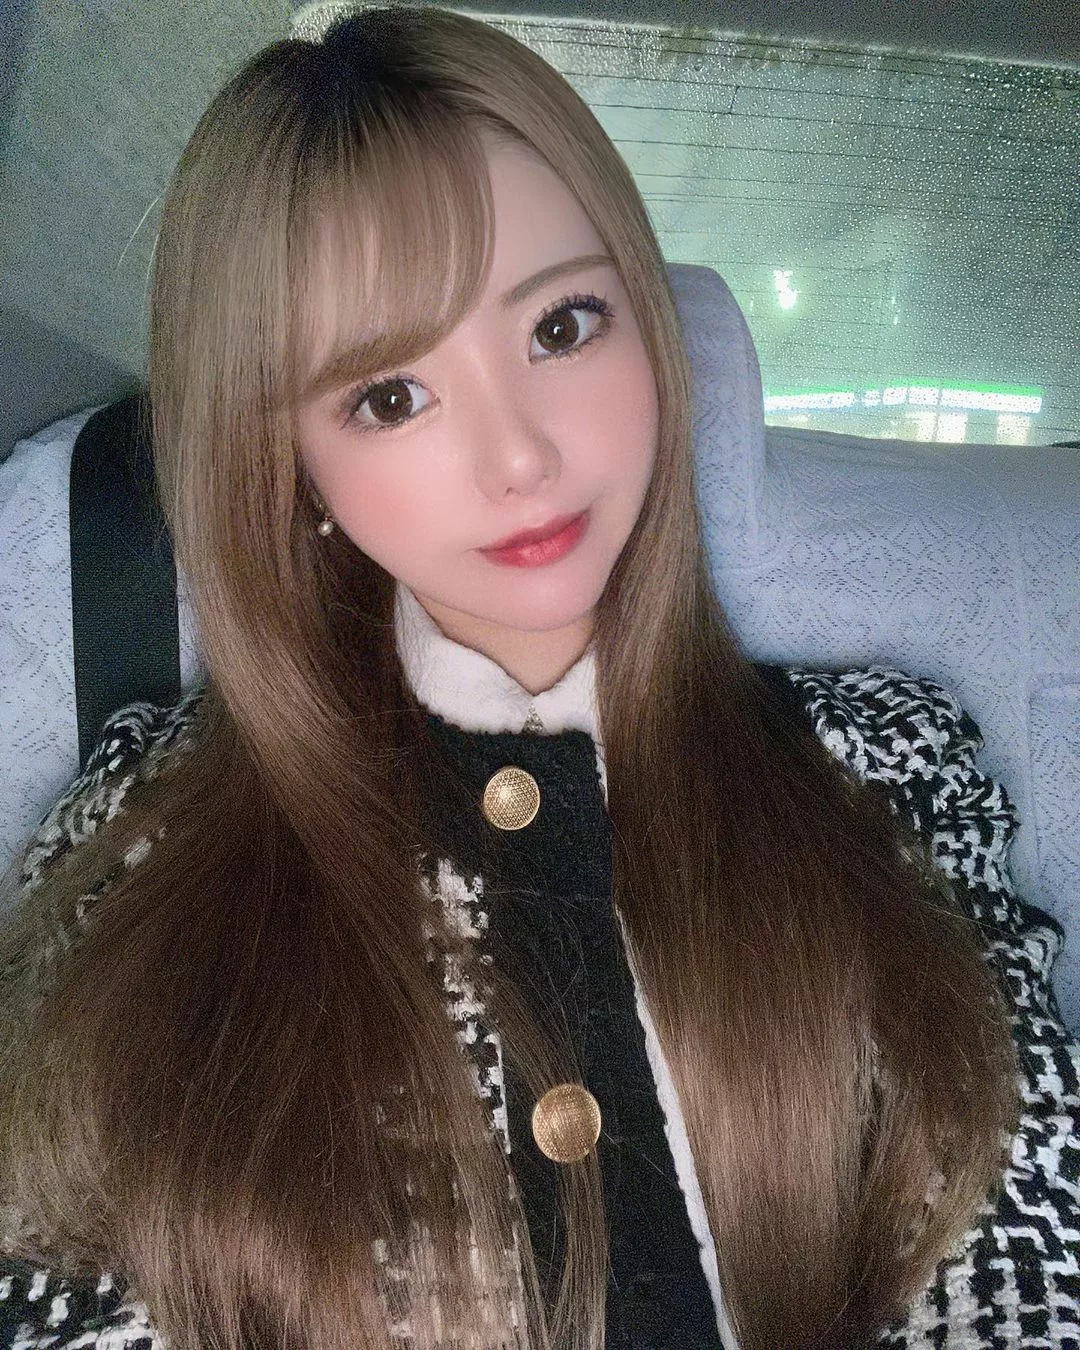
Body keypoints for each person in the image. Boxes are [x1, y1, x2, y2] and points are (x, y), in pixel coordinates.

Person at [0, 7, 1075, 1349]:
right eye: (388, 397)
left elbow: (1020, 1234)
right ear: (291, 463)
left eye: (564, 324)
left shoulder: (890, 764)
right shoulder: (141, 838)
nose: (520, 458)